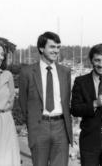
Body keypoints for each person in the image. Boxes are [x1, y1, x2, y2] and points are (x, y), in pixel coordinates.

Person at [19, 31, 73, 166]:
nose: (56, 51)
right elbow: (23, 102)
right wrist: (32, 124)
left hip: (61, 127)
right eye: (52, 47)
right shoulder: (27, 72)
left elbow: (66, 101)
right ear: (41, 48)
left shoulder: (65, 72)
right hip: (39, 127)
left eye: (58, 47)